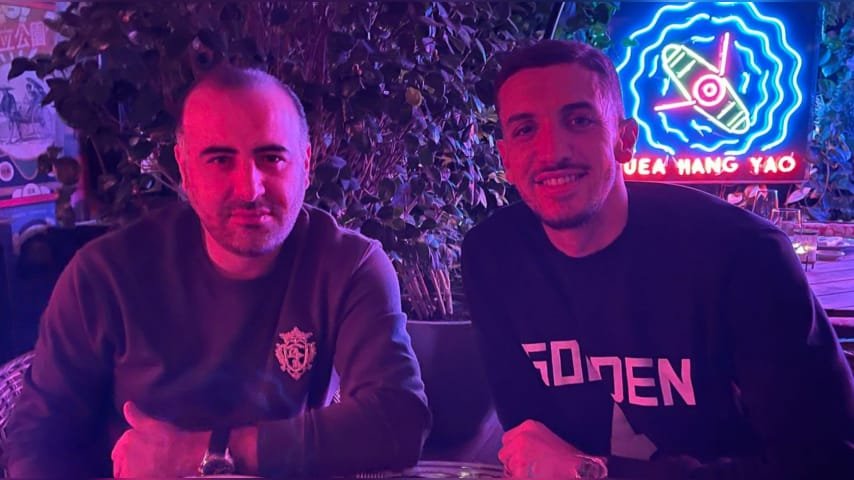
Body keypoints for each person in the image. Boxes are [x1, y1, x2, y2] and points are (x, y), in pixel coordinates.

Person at [3, 66, 431, 478]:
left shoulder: (348, 265)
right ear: (185, 168)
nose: (249, 189)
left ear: (305, 163)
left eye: (271, 158)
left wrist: (199, 453)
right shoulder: (105, 274)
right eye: (220, 160)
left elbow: (398, 420)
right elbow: (37, 442)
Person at [462, 39, 854, 479]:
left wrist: (593, 471)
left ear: (625, 140)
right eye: (525, 130)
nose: (553, 152)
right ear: (506, 158)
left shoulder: (744, 254)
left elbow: (825, 464)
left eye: (579, 120)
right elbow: (529, 442)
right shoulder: (494, 257)